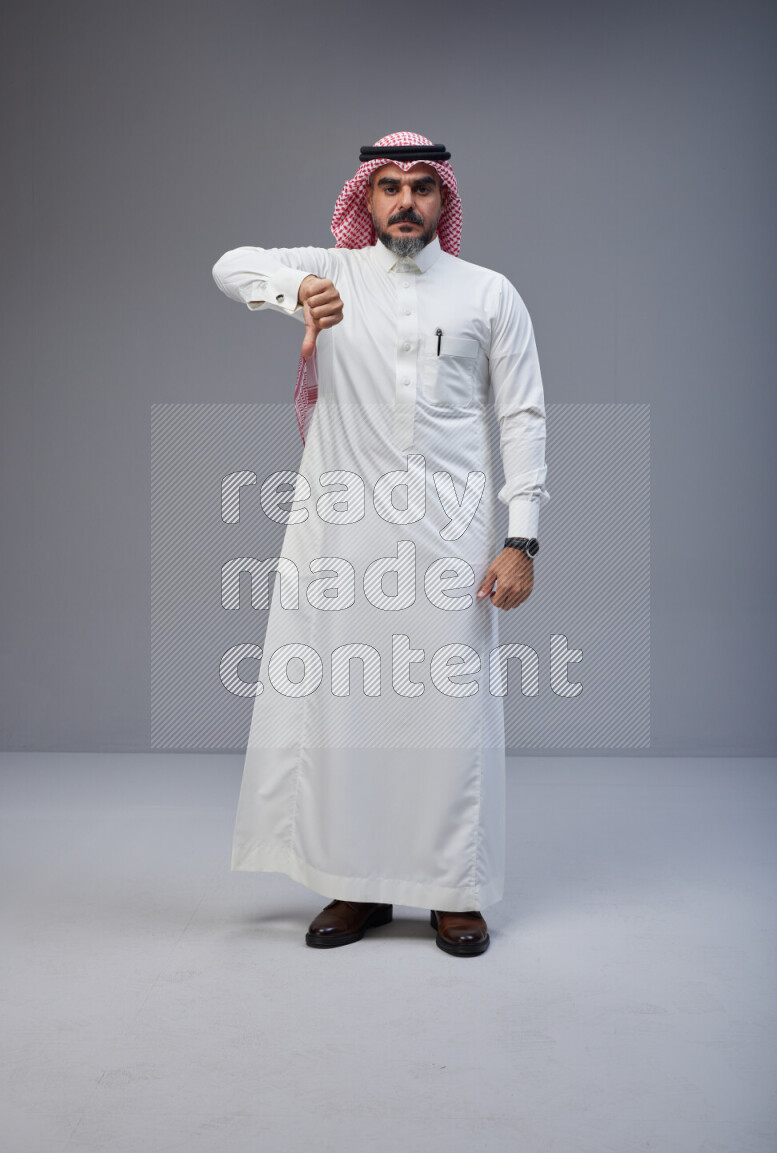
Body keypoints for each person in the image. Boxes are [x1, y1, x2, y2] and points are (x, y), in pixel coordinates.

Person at [212, 131, 550, 957]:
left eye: (422, 188)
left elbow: (523, 416)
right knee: (346, 709)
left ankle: (453, 892)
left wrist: (522, 541)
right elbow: (229, 263)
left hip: (453, 535)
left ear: (445, 201)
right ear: (365, 199)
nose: (405, 201)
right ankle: (355, 882)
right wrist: (297, 291)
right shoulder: (334, 271)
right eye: (389, 187)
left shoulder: (488, 293)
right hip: (343, 531)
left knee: (449, 712)